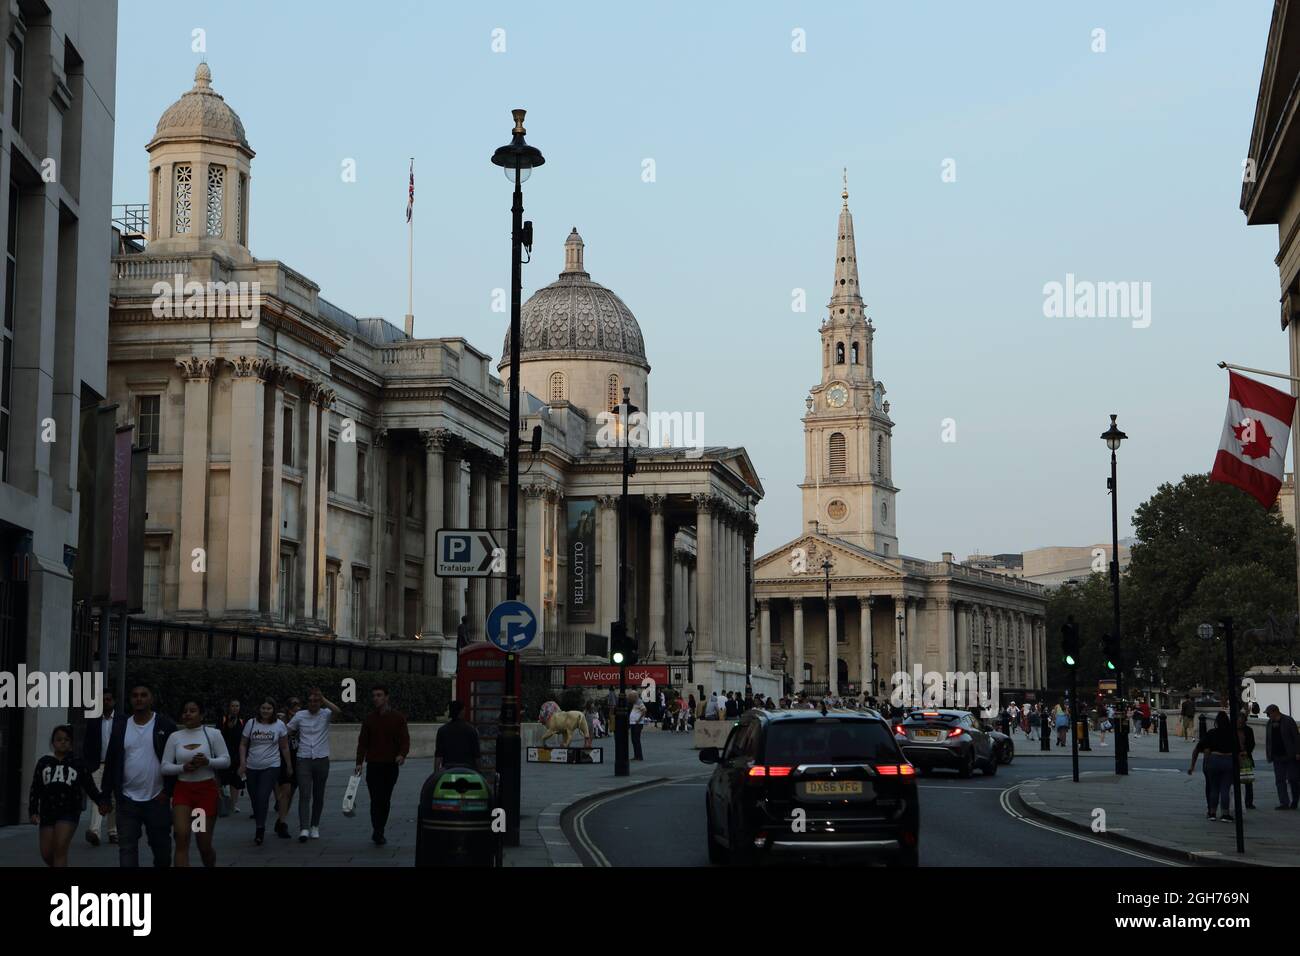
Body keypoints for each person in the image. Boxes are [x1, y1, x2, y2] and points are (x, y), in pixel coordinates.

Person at [102, 684, 178, 867]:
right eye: (135, 695)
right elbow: (111, 762)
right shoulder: (121, 726)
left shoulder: (165, 725)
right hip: (127, 800)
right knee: (126, 849)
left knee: (162, 851)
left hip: (157, 798)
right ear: (130, 700)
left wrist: (168, 791)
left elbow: (175, 760)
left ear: (151, 699)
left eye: (144, 695)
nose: (139, 699)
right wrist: (105, 796)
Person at [161, 700, 230, 867]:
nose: (188, 714)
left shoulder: (213, 734)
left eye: (193, 710)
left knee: (203, 843)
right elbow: (164, 766)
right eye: (185, 711)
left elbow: (226, 760)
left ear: (202, 715)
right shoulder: (175, 737)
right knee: (181, 837)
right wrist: (182, 767)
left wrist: (208, 762)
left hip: (204, 792)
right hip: (183, 791)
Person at [29, 725, 110, 867]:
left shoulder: (77, 763)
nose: (63, 742)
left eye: (66, 740)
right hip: (48, 812)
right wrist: (33, 811)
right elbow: (35, 788)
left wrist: (101, 802)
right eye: (59, 739)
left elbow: (90, 786)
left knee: (60, 847)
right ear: (53, 742)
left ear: (71, 743)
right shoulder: (44, 762)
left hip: (69, 811)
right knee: (47, 852)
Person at [355, 685, 410, 846]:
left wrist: (402, 754)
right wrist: (359, 762)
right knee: (375, 799)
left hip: (390, 765)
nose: (376, 698)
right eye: (374, 696)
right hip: (373, 764)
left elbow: (405, 739)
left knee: (385, 799)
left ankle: (380, 828)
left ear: (387, 697)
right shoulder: (369, 719)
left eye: (379, 695)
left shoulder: (398, 718)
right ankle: (377, 829)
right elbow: (362, 743)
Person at [289, 687, 340, 842]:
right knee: (304, 794)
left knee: (318, 795)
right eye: (310, 701)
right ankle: (304, 828)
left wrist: (323, 699)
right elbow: (288, 729)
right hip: (303, 758)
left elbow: (338, 711)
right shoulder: (300, 715)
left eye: (316, 701)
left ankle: (315, 826)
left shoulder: (325, 714)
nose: (313, 703)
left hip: (321, 758)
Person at [239, 699, 291, 845]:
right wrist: (243, 763)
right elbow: (243, 744)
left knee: (263, 796)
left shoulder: (279, 725)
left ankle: (260, 829)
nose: (266, 711)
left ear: (273, 710)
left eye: (269, 708)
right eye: (263, 708)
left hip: (271, 766)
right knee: (255, 799)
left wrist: (289, 765)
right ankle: (260, 822)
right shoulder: (251, 723)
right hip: (252, 766)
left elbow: (285, 747)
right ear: (259, 709)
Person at [81, 689, 117, 846]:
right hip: (97, 765)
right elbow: (87, 744)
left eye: (108, 699)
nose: (106, 702)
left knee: (114, 799)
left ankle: (113, 831)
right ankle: (94, 831)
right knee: (97, 798)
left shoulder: (122, 721)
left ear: (113, 701)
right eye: (103, 700)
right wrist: (88, 765)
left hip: (115, 766)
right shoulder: (93, 721)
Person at [1189, 711, 1236, 821]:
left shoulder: (1211, 733)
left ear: (1217, 722)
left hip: (1214, 760)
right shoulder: (1232, 734)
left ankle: (1212, 813)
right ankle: (1225, 814)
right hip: (1229, 760)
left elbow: (1197, 749)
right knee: (1225, 788)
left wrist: (1192, 766)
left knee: (1214, 788)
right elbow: (1238, 750)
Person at [273, 697, 302, 839]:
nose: (296, 712)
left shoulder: (302, 720)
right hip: (284, 760)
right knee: (286, 790)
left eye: (298, 709)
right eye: (294, 709)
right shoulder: (281, 722)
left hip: (298, 759)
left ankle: (280, 819)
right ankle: (283, 823)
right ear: (288, 710)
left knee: (290, 793)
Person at [1263, 703, 1300, 809]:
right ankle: (1284, 802)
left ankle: (1295, 800)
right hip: (1276, 756)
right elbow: (1268, 740)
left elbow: (1296, 737)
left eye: (1268, 714)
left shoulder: (1288, 721)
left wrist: (1298, 752)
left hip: (1289, 755)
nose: (1268, 716)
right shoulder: (1269, 723)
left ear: (1275, 712)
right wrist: (1269, 755)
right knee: (1280, 780)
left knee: (1293, 779)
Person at [434, 700, 480, 771]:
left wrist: (436, 772)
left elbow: (438, 755)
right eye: (464, 710)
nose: (465, 712)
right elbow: (477, 755)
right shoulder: (472, 730)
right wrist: (479, 772)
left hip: (448, 769)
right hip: (468, 769)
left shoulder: (442, 730)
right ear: (461, 712)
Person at [217, 699, 245, 815]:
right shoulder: (223, 720)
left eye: (237, 706)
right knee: (222, 780)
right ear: (229, 707)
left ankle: (233, 805)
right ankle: (222, 804)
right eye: (232, 706)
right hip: (223, 754)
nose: (235, 708)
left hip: (236, 755)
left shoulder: (242, 722)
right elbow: (217, 736)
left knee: (236, 780)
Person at [1237, 710, 1257, 810]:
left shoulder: (1248, 730)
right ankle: (1237, 801)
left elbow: (1252, 743)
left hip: (1245, 758)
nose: (1240, 724)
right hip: (1235, 758)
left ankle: (1249, 802)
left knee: (1247, 781)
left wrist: (1246, 752)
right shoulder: (1232, 730)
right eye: (1238, 722)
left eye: (1241, 722)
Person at [629, 691, 647, 760]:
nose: (629, 698)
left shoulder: (639, 702)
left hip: (637, 724)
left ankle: (639, 756)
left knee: (636, 740)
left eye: (630, 697)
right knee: (634, 740)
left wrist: (639, 719)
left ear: (634, 696)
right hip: (634, 723)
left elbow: (644, 710)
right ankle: (636, 755)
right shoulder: (635, 702)